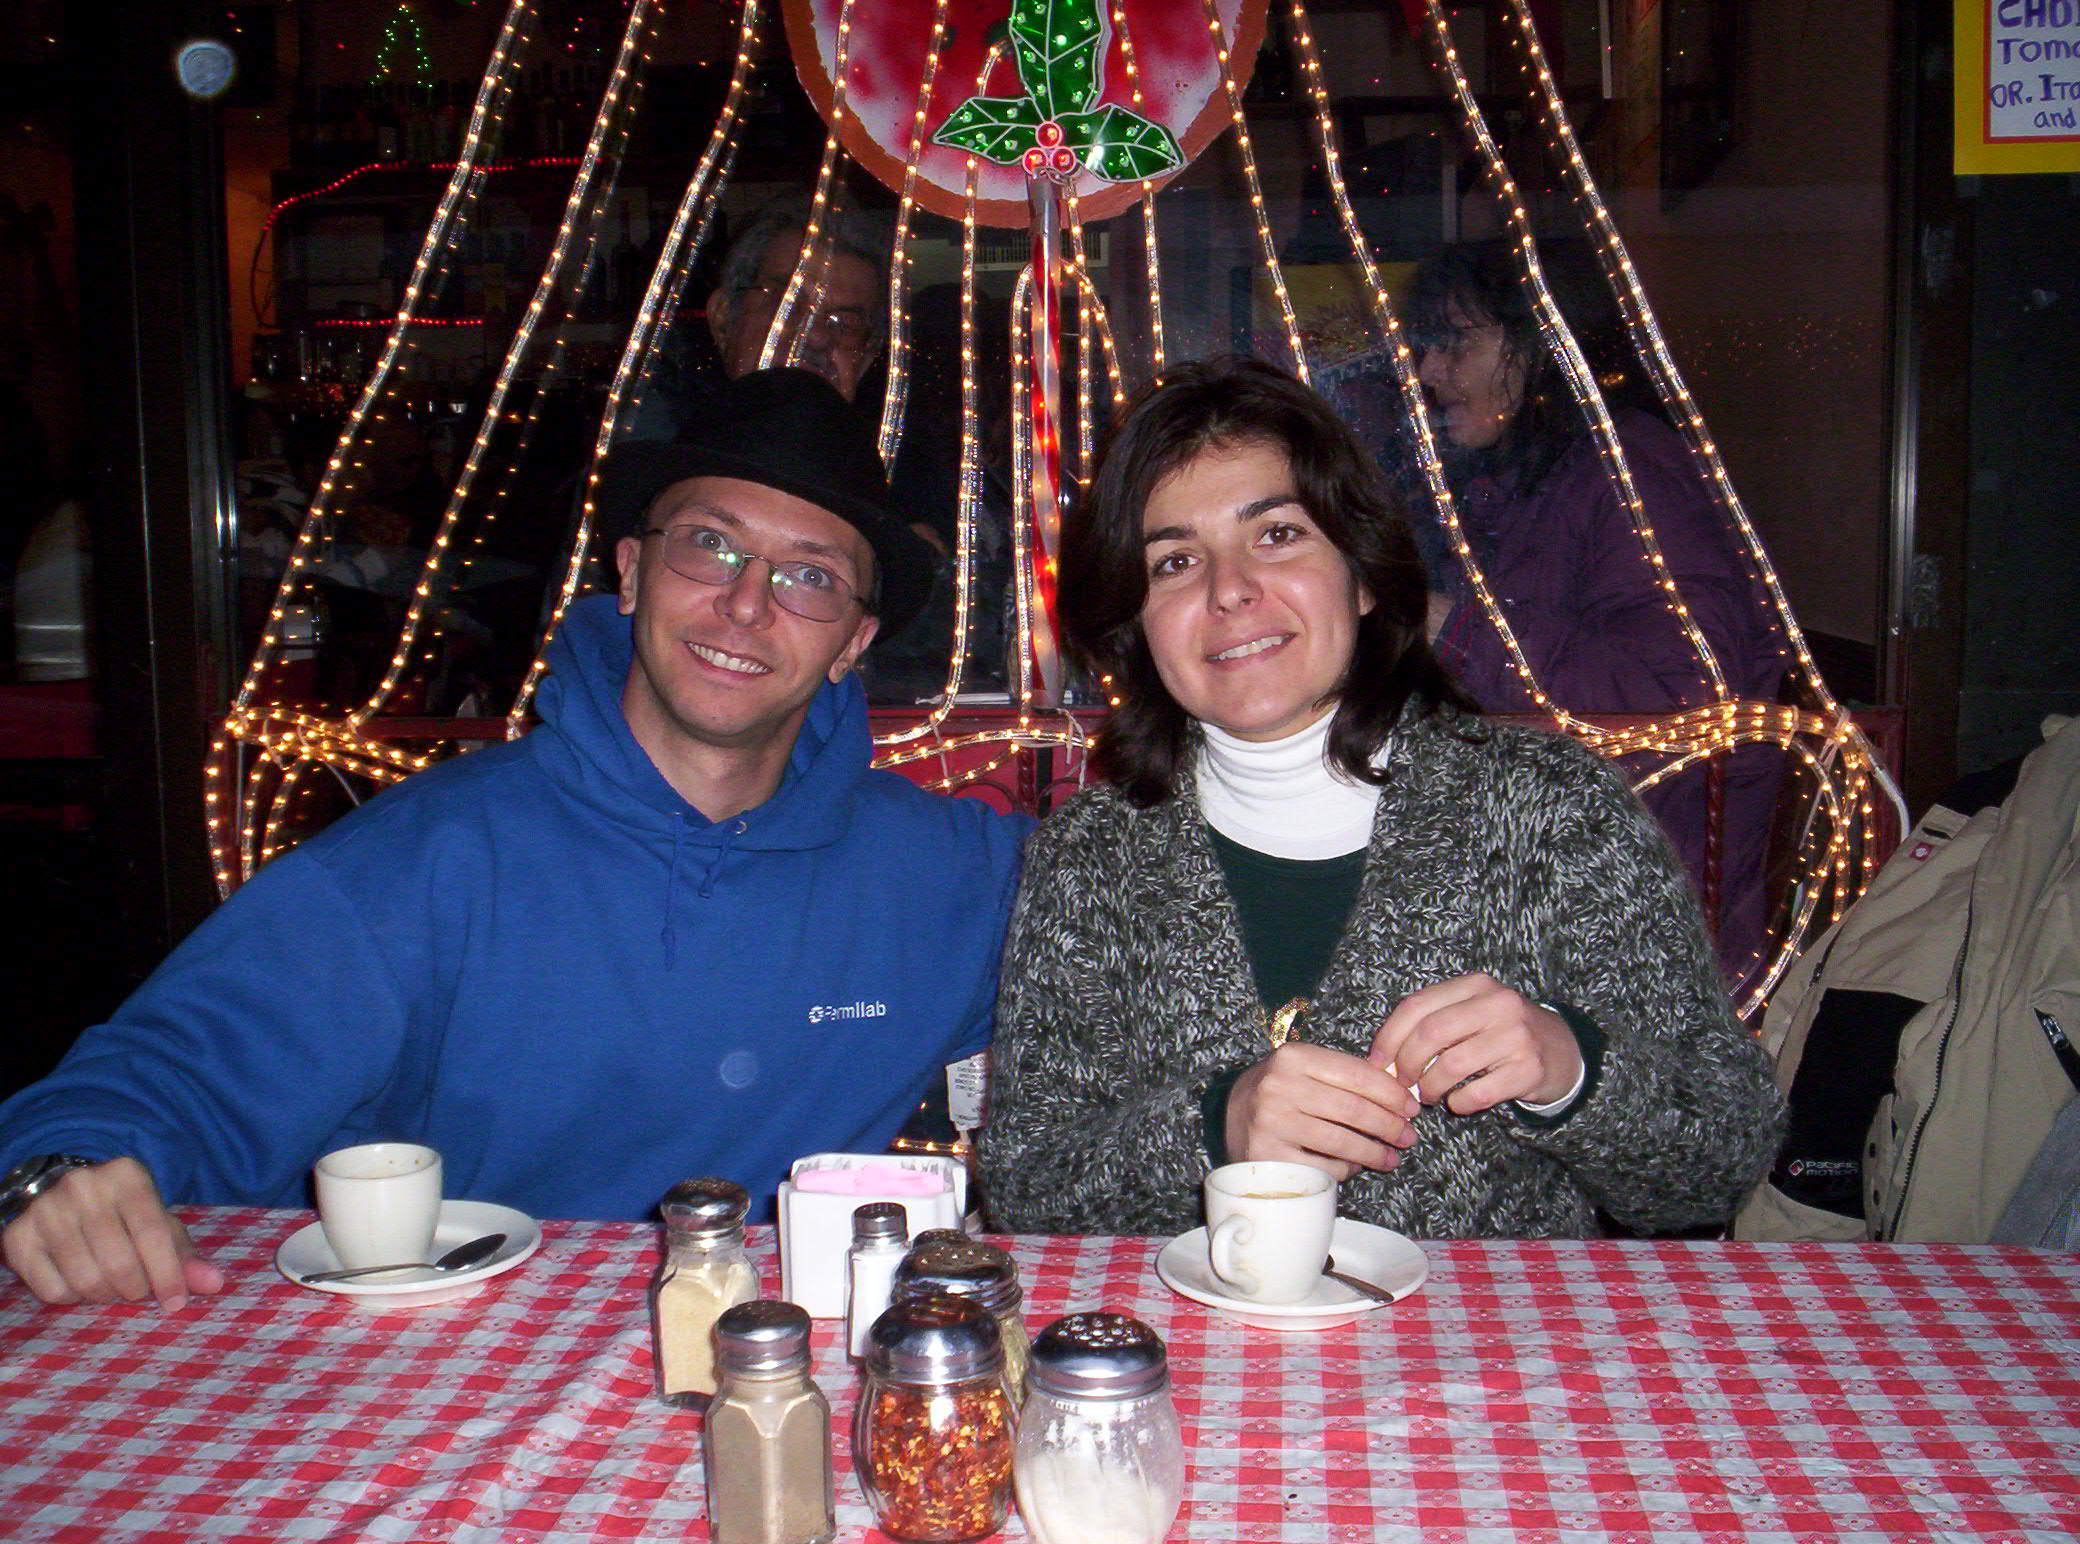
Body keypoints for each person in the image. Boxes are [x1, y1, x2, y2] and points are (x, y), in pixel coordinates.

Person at [0, 369, 1029, 1309]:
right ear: (632, 571)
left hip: (774, 1376)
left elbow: (1121, 911)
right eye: (709, 544)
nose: (747, 602)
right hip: (440, 1381)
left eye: (810, 577)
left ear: (853, 641)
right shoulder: (427, 857)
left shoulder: (943, 873)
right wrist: (65, 1171)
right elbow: (163, 1077)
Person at [980, 358, 1783, 1238]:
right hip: (1192, 1330)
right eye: (1174, 560)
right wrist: (1214, 1131)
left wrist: (1572, 1069)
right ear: (1137, 621)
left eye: (1277, 534)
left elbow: (1719, 1165)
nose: (1229, 589)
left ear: (1362, 575)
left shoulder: (1553, 810)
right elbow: (1026, 1189)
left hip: (1492, 1332)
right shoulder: (1088, 857)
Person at [1405, 239, 1787, 988]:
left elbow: (1681, 697)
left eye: (1454, 342)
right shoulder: (1524, 478)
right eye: (1426, 345)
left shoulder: (1629, 467)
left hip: (1642, 936)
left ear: (1541, 345)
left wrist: (1452, 625)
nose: (1429, 372)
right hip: (1567, 902)